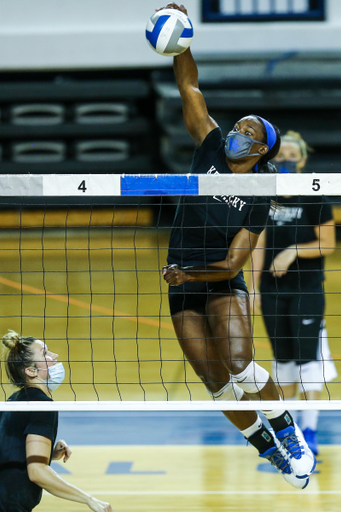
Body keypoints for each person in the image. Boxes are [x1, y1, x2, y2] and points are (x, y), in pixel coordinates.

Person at [160, 2, 315, 490]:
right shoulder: (208, 146)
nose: (237, 130)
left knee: (242, 365)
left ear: (262, 148)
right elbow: (190, 86)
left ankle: (289, 433)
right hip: (181, 282)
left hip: (220, 281)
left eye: (249, 130)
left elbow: (233, 261)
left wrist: (189, 274)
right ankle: (268, 449)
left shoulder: (261, 190)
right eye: (238, 124)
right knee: (216, 384)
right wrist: (182, 38)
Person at [250, 130, 337, 456]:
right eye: (280, 155)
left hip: (306, 291)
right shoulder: (264, 197)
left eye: (291, 155)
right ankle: (293, 432)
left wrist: (293, 252)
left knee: (307, 360)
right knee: (283, 360)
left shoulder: (315, 198)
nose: (285, 160)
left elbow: (326, 244)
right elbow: (257, 243)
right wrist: (254, 286)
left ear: (301, 160)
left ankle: (310, 428)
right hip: (272, 292)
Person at [0, 330, 113, 512]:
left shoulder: (13, 400)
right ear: (31, 371)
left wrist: (48, 454)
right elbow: (37, 472)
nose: (55, 356)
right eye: (45, 353)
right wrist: (90, 500)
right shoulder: (42, 405)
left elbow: (9, 452)